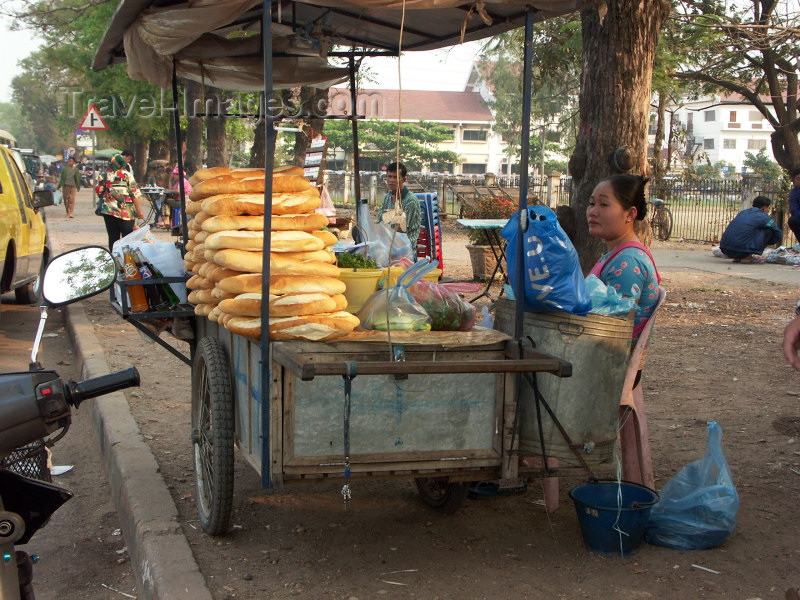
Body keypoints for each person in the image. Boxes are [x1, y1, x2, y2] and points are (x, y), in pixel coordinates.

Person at [587, 174, 661, 341]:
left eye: (603, 204)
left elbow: (614, 331)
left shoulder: (628, 262)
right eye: (592, 203)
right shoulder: (614, 256)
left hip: (611, 362)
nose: (593, 211)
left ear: (630, 213)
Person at [95, 153, 144, 250]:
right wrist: (139, 212)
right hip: (126, 212)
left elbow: (99, 191)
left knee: (113, 237)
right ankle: (127, 260)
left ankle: (115, 259)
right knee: (127, 237)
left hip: (109, 211)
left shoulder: (104, 175)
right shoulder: (127, 175)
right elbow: (134, 194)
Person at [719, 195, 782, 263]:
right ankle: (747, 257)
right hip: (741, 250)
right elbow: (778, 233)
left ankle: (738, 258)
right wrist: (770, 242)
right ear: (764, 208)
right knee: (768, 231)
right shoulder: (765, 217)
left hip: (725, 249)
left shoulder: (743, 212)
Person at [377, 161, 421, 252]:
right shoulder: (387, 197)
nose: (392, 180)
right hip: (388, 243)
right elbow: (380, 221)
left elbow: (400, 230)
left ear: (404, 180)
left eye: (396, 177)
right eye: (389, 176)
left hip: (404, 247)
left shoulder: (410, 201)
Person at [787, 168, 800, 243]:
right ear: (794, 180)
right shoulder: (794, 194)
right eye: (798, 178)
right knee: (793, 220)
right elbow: (794, 210)